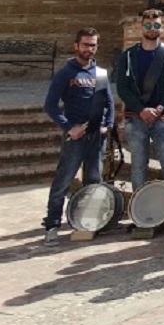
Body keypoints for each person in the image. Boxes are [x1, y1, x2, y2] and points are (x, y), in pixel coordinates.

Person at [41, 28, 114, 244]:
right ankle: (52, 225)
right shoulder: (66, 73)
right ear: (76, 46)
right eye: (85, 45)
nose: (89, 49)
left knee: (93, 181)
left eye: (93, 45)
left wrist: (107, 126)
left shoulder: (100, 73)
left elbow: (109, 103)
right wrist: (67, 126)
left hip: (96, 137)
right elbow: (50, 105)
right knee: (63, 181)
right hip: (76, 137)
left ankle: (88, 222)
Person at [115, 10, 164, 193]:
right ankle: (139, 213)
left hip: (162, 120)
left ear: (162, 28)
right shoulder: (128, 55)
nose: (152, 29)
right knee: (138, 167)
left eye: (156, 25)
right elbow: (122, 87)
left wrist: (160, 108)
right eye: (148, 25)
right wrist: (141, 109)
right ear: (141, 27)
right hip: (135, 118)